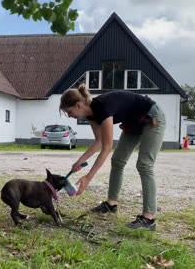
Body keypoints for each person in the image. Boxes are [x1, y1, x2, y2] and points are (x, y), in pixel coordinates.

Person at [59, 84, 166, 230]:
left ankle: (149, 219)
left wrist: (89, 177)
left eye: (69, 112)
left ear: (78, 105)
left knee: (144, 164)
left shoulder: (102, 107)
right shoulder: (91, 115)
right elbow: (98, 141)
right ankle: (111, 204)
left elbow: (106, 147)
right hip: (133, 124)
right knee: (117, 161)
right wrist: (79, 161)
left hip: (151, 117)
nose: (70, 116)